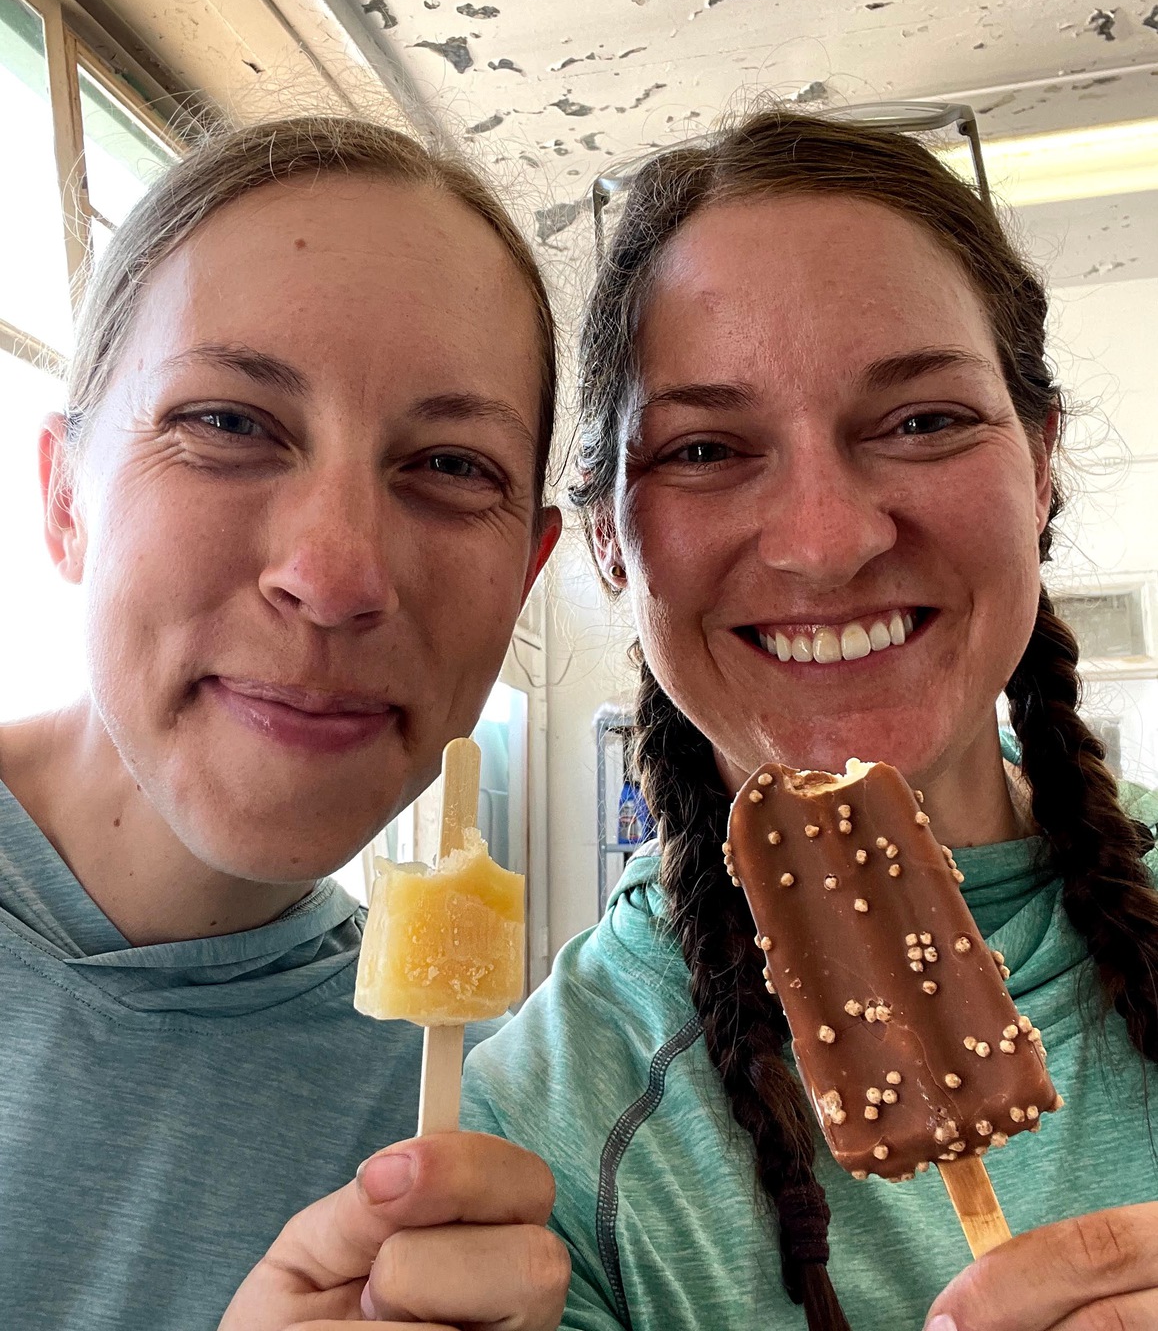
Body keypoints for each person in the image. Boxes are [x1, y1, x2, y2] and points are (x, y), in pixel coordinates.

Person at [461, 110, 1158, 1331]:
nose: (829, 543)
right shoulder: (539, 1136)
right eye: (709, 447)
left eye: (924, 419)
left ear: (1040, 463)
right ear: (611, 540)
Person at [0, 115, 568, 1331]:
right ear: (63, 498)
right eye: (228, 423)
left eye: (453, 465)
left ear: (526, 574)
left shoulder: (459, 1129)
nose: (336, 570)